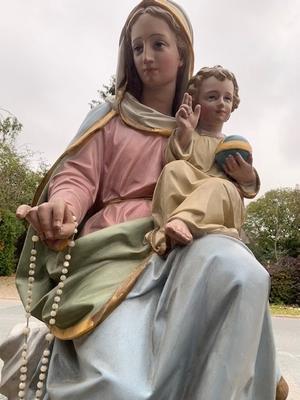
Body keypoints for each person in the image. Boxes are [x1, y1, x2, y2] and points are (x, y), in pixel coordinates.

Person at [0, 1, 288, 399]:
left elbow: (225, 190)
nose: (147, 58)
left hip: (190, 239)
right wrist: (63, 207)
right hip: (118, 248)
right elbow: (78, 176)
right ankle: (49, 358)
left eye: (158, 44)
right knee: (120, 386)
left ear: (182, 52)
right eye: (137, 48)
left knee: (245, 275)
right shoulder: (112, 117)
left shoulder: (205, 133)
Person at [146, 65, 260, 255]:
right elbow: (172, 158)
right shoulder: (188, 135)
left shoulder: (232, 145)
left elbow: (248, 187)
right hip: (189, 194)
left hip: (220, 203)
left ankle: (182, 221)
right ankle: (169, 226)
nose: (221, 103)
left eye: (227, 98)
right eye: (212, 97)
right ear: (195, 101)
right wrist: (185, 132)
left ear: (234, 104)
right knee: (173, 169)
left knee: (220, 186)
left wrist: (247, 176)